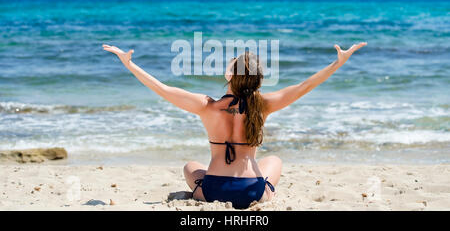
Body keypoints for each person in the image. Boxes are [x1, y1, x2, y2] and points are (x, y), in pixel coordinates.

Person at [102, 41, 367, 209]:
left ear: (230, 75)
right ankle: (268, 195)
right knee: (274, 161)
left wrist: (129, 64)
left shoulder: (206, 105)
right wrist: (338, 62)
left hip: (214, 190)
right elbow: (305, 86)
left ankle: (204, 193)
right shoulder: (262, 105)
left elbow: (161, 87)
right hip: (251, 191)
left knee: (190, 167)